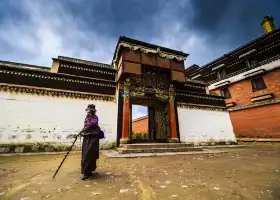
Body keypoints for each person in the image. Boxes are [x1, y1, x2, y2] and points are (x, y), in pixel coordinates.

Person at [78, 104, 104, 180]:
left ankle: (90, 171)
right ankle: (86, 172)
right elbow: (86, 126)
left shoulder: (95, 118)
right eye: (88, 110)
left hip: (94, 139)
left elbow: (91, 124)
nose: (89, 112)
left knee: (92, 155)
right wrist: (82, 131)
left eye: (90, 110)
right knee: (86, 155)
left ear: (93, 111)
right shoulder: (87, 117)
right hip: (87, 139)